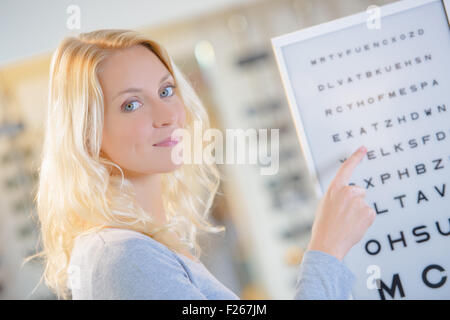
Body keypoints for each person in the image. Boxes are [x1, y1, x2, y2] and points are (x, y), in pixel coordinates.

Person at [28, 29, 375, 300]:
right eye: (132, 104)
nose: (167, 115)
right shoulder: (123, 256)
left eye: (166, 91)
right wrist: (327, 249)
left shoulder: (141, 247)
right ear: (87, 132)